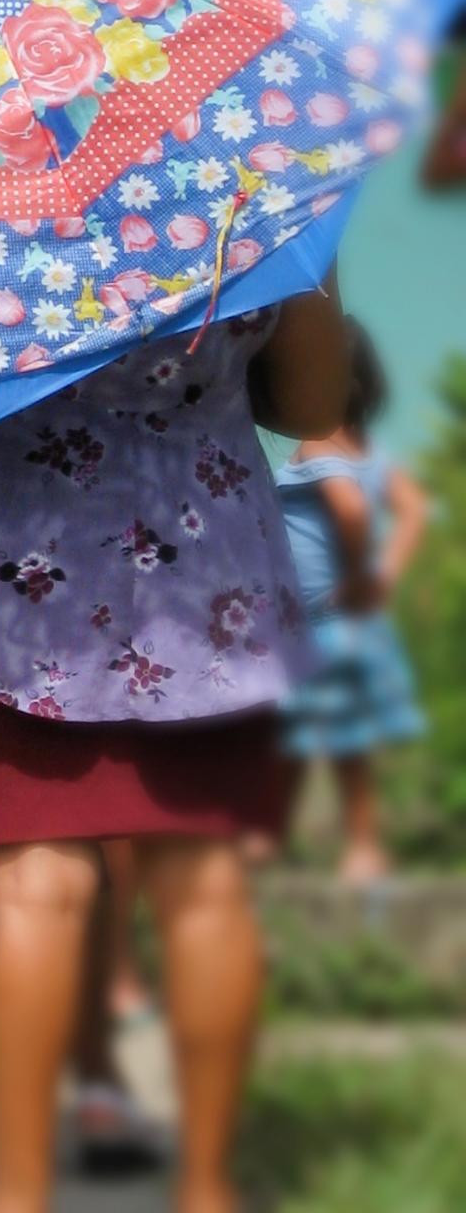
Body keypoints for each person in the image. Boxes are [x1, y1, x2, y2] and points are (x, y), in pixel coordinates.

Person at [0, 287, 351, 1213]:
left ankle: (19, 1194)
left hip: (4, 599)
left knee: (36, 894)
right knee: (205, 890)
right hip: (210, 593)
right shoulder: (239, 174)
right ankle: (207, 1186)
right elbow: (314, 406)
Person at [276, 319, 428, 883]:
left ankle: (361, 845)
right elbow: (411, 510)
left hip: (327, 622)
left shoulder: (317, 443)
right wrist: (384, 576)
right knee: (313, 735)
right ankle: (280, 839)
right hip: (342, 622)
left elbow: (352, 512)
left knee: (336, 742)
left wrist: (364, 576)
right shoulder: (368, 452)